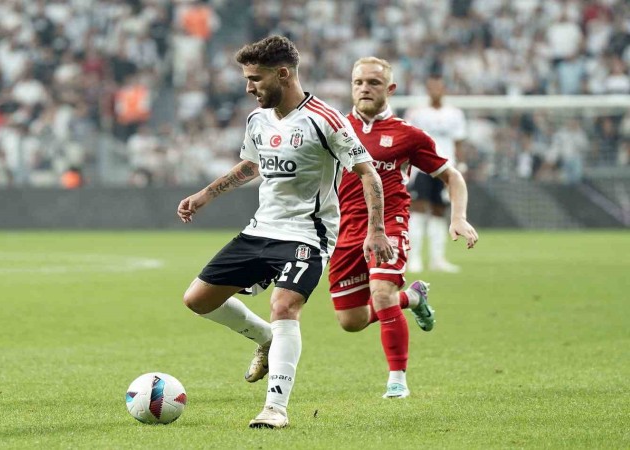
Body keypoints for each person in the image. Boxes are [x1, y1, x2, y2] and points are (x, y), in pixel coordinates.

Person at [177, 36, 393, 429]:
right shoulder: (257, 120)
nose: (249, 87)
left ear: (282, 74)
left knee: (284, 306)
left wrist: (376, 230)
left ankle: (275, 408)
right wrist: (205, 195)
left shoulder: (325, 120)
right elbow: (251, 165)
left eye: (255, 79)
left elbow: (368, 173)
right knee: (197, 300)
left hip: (307, 235)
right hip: (261, 229)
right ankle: (265, 338)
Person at [328, 57, 478, 399]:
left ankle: (397, 380)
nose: (364, 88)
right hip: (345, 230)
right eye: (358, 82)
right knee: (351, 321)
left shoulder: (408, 135)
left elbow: (452, 176)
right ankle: (412, 297)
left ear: (390, 89)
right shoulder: (334, 129)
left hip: (390, 225)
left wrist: (458, 217)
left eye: (374, 82)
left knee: (381, 294)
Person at [405, 74, 469, 273]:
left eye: (438, 87)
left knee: (439, 211)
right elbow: (408, 140)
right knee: (417, 210)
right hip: (422, 168)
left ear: (444, 89)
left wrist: (461, 165)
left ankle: (437, 259)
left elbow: (458, 142)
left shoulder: (455, 114)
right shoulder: (416, 113)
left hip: (446, 169)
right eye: (431, 87)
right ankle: (414, 258)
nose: (435, 91)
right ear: (427, 90)